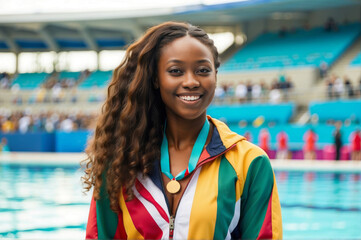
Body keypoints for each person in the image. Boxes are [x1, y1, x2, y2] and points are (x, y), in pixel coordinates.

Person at [82, 22, 282, 240]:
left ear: (215, 75)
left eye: (203, 70)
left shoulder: (249, 163)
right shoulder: (121, 158)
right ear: (156, 79)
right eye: (176, 71)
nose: (191, 81)